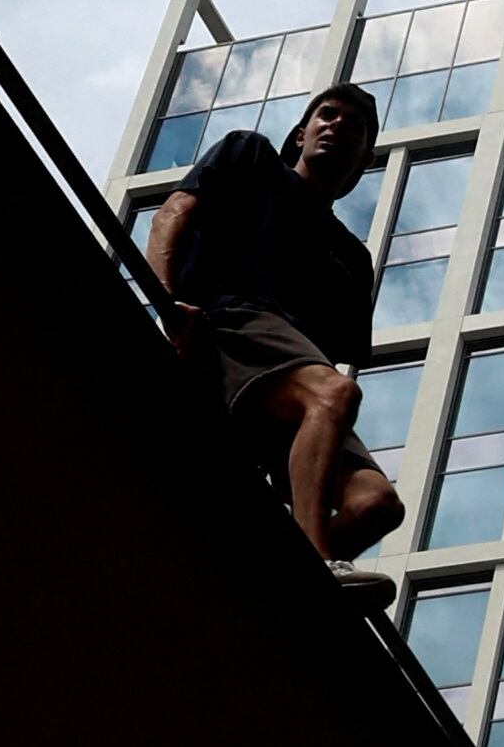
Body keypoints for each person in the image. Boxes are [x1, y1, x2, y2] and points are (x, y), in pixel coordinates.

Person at [141, 81, 403, 596]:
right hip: (228, 323)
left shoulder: (351, 261)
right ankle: (316, 565)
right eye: (327, 115)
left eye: (354, 126)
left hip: (284, 382)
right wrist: (166, 305)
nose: (336, 126)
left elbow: (326, 354)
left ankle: (271, 580)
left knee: (374, 503)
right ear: (300, 132)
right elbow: (172, 214)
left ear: (367, 157)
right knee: (334, 392)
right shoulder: (253, 157)